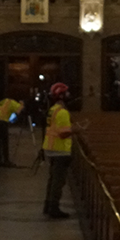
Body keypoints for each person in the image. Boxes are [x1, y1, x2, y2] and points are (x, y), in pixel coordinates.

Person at [42, 82, 74, 219]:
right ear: (61, 95)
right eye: (66, 93)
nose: (69, 95)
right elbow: (63, 133)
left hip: (52, 148)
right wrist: (77, 130)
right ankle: (54, 208)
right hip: (60, 150)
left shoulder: (53, 109)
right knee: (58, 181)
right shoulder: (62, 112)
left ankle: (48, 205)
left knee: (52, 178)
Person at [0, 96, 24, 167]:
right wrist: (22, 104)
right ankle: (6, 161)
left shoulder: (0, 103)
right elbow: (19, 110)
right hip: (2, 120)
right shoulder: (11, 102)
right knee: (4, 141)